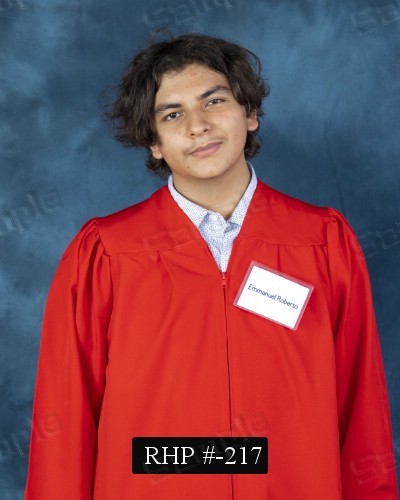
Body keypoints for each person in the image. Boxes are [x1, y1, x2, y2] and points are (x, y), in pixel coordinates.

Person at [24, 33, 398, 499]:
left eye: (214, 101)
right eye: (172, 114)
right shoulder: (107, 253)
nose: (198, 126)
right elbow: (66, 416)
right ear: (153, 142)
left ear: (250, 113)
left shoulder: (322, 242)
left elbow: (362, 407)